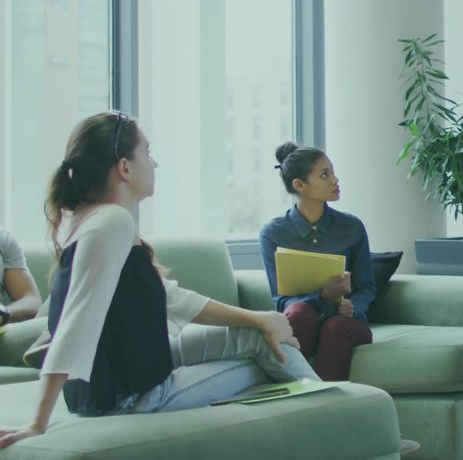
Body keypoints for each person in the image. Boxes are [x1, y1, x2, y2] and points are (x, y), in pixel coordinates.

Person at [0, 112, 316, 449]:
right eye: (147, 152)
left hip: (120, 381)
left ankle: (326, 407)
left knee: (261, 333)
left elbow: (171, 298)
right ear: (124, 167)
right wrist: (37, 423)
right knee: (269, 349)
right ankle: (336, 415)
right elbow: (76, 324)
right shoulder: (112, 222)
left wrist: (260, 318)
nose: (155, 163)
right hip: (136, 397)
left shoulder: (89, 219)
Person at [259, 142, 375, 382]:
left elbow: (367, 287)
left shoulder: (351, 227)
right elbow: (280, 299)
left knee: (335, 327)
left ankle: (322, 404)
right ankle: (287, 392)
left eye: (332, 171)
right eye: (325, 175)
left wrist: (354, 306)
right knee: (299, 311)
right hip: (303, 318)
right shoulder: (274, 232)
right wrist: (320, 297)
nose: (335, 180)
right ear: (299, 185)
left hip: (346, 322)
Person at [0, 227, 42, 326]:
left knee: (51, 330)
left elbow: (32, 302)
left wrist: (3, 314)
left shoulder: (3, 238)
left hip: (4, 330)